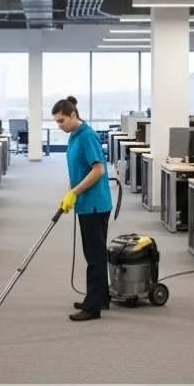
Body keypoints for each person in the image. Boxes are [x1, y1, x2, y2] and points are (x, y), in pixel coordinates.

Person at [52, 95, 113, 322]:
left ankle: (93, 307)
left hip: (95, 204)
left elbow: (98, 170)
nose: (59, 126)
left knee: (94, 256)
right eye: (56, 122)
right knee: (94, 253)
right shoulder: (74, 135)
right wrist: (71, 194)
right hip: (85, 203)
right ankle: (101, 297)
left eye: (61, 121)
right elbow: (79, 169)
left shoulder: (87, 136)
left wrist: (74, 192)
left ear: (73, 115)